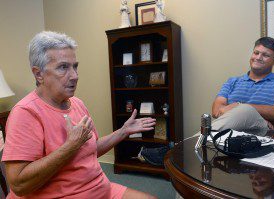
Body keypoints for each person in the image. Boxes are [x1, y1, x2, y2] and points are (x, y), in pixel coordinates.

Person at [2, 31, 157, 199]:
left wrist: (123, 131)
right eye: (63, 67)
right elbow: (18, 185)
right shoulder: (25, 113)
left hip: (99, 189)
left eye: (75, 66)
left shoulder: (77, 103)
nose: (75, 76)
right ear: (38, 74)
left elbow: (90, 150)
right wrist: (70, 146)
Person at [212, 37, 274, 136]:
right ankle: (205, 139)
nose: (258, 57)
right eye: (256, 53)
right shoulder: (232, 81)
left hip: (265, 138)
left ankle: (202, 139)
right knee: (244, 111)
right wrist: (244, 111)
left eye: (265, 55)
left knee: (245, 110)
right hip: (229, 138)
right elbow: (216, 111)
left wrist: (241, 107)